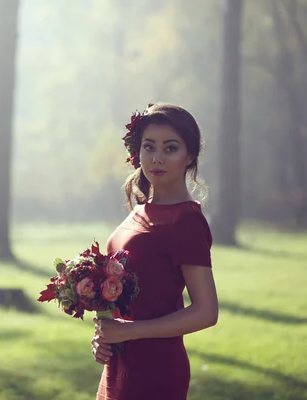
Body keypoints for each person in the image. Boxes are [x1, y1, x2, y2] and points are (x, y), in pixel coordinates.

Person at [92, 103, 219, 400]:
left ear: (189, 156)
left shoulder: (185, 220)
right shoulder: (141, 209)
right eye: (149, 147)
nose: (157, 158)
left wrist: (129, 331)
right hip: (118, 364)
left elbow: (206, 311)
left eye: (170, 148)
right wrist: (104, 336)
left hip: (155, 371)